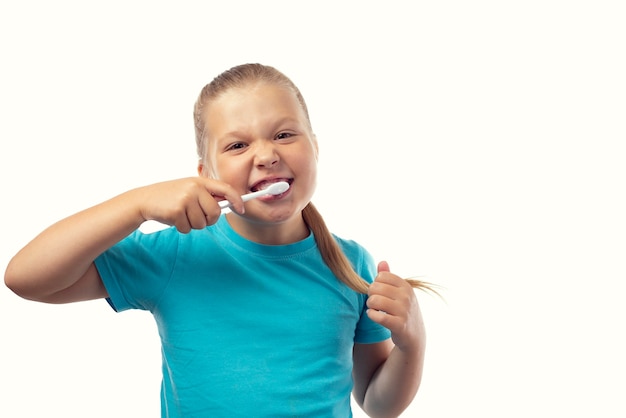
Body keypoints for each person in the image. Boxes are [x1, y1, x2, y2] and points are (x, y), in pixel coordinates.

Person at [5, 63, 430, 418]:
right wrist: (136, 205)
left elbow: (378, 403)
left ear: (315, 147)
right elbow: (26, 277)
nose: (266, 155)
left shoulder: (351, 262)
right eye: (238, 144)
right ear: (206, 174)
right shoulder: (175, 254)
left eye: (284, 135)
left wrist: (412, 342)